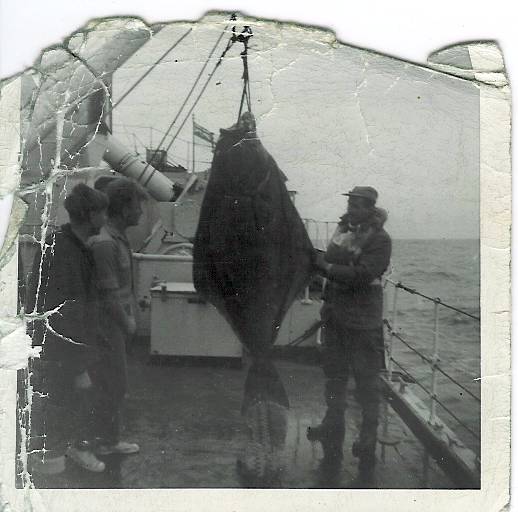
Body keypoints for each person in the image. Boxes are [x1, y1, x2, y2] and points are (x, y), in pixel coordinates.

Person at [307, 186, 391, 486]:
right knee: (335, 376)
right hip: (336, 317)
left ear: (370, 208)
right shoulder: (343, 231)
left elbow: (364, 274)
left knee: (367, 382)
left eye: (357, 205)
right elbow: (331, 262)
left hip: (363, 322)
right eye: (350, 203)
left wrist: (326, 266)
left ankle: (368, 438)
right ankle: (332, 425)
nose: (351, 209)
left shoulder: (380, 240)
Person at [27, 183, 109, 474]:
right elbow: (63, 314)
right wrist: (78, 366)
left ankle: (67, 451)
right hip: (61, 350)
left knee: (69, 403)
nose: (106, 218)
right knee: (62, 404)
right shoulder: (65, 251)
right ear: (90, 215)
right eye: (102, 212)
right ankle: (50, 468)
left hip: (68, 347)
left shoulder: (70, 244)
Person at [88, 177, 146, 455]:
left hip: (116, 326)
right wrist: (128, 323)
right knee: (111, 384)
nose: (141, 212)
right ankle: (102, 442)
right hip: (107, 326)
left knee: (114, 384)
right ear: (124, 209)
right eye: (138, 206)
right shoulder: (105, 243)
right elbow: (109, 295)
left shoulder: (118, 239)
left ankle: (107, 440)